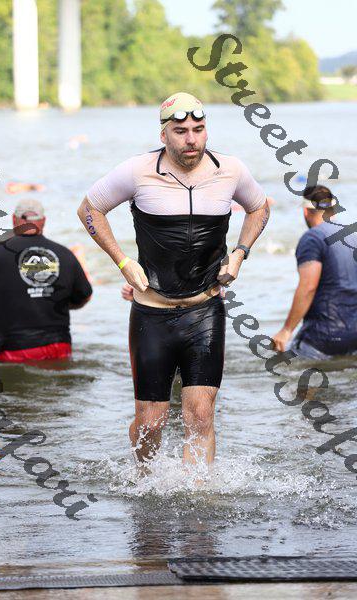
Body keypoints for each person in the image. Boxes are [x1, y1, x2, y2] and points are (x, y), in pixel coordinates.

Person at [78, 91, 270, 467]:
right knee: (152, 423)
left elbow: (260, 207)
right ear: (164, 134)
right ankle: (144, 482)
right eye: (181, 131)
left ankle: (199, 495)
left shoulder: (230, 170)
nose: (191, 139)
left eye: (198, 129)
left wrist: (240, 253)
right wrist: (122, 262)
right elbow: (89, 209)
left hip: (205, 310)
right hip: (152, 313)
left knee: (200, 415)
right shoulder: (138, 171)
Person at [0, 199, 93, 361]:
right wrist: (54, 300)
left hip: (13, 349)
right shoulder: (65, 254)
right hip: (59, 347)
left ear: (14, 220)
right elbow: (85, 295)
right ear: (43, 221)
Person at [273, 185, 357, 359]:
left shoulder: (313, 238)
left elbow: (308, 288)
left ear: (305, 211)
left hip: (323, 337)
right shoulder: (353, 237)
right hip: (354, 335)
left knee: (287, 368)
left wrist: (286, 330)